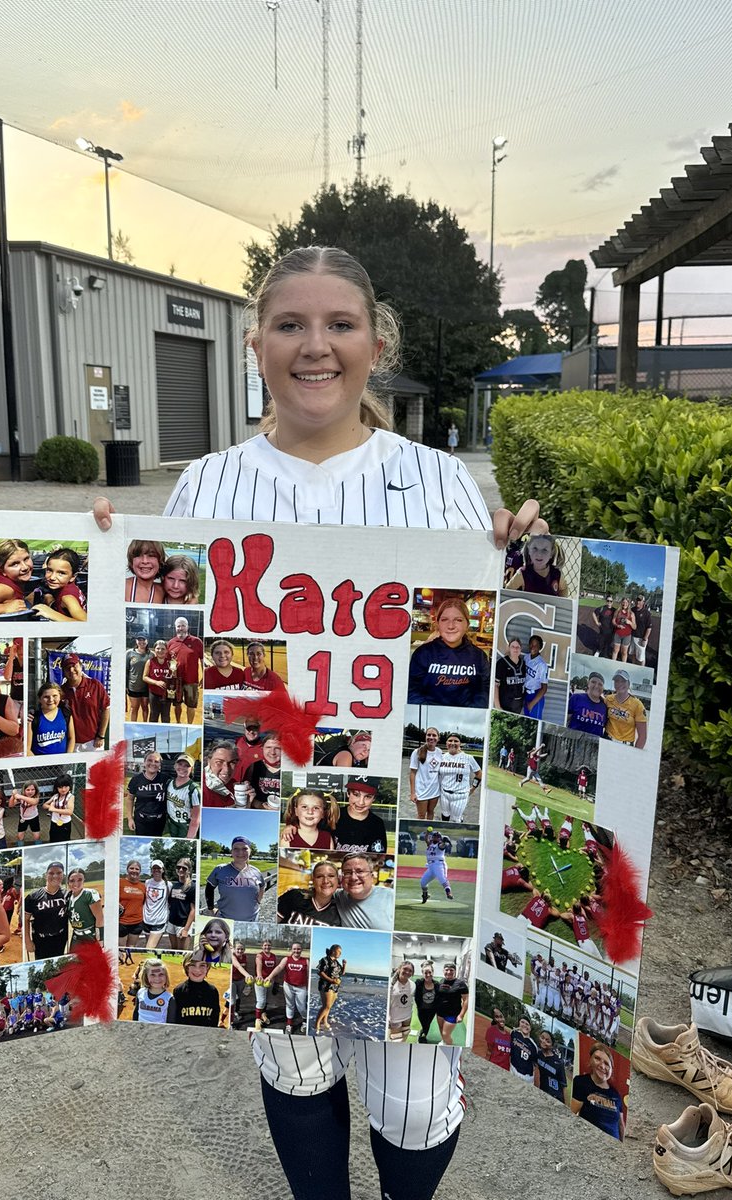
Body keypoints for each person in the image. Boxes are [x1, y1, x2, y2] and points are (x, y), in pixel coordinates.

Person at [93, 244, 544, 1200]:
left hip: (410, 818)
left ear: (376, 344)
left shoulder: (442, 484)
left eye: (340, 324)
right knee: (295, 1056)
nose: (315, 346)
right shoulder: (206, 487)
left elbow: (486, 668)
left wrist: (530, 567)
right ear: (255, 344)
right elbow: (155, 656)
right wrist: (100, 559)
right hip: (259, 818)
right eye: (291, 325)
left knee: (417, 1091)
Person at [407, 596, 490, 708]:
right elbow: (412, 691)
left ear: (467, 625)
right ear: (438, 624)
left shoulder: (479, 656)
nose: (451, 626)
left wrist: (468, 714)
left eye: (458, 620)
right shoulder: (422, 653)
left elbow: (484, 691)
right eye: (445, 620)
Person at [205, 836, 265, 922]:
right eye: (236, 848)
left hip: (252, 919)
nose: (240, 852)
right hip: (226, 920)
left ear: (250, 851)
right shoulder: (220, 870)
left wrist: (258, 901)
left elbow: (262, 886)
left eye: (245, 848)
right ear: (231, 851)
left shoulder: (256, 872)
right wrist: (211, 908)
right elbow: (209, 888)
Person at [60, 653, 110, 751]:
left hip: (93, 742)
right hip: (71, 744)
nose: (71, 670)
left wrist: (101, 735)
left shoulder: (95, 685)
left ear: (80, 666)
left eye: (74, 666)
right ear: (64, 671)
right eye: (67, 667)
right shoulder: (60, 691)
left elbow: (106, 709)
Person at [334, 853, 394, 930]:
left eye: (360, 871)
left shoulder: (390, 897)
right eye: (348, 873)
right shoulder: (337, 896)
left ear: (372, 876)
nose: (353, 877)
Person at [0, 539, 36, 615]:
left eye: (26, 559)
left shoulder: (13, 581)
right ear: (2, 570)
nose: (24, 567)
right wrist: (4, 608)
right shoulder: (4, 589)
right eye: (15, 564)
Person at [22, 861, 68, 959]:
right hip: (41, 940)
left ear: (63, 875)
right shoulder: (33, 896)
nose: (55, 876)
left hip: (60, 938)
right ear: (45, 875)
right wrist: (27, 941)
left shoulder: (67, 894)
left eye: (59, 873)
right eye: (51, 873)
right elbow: (25, 919)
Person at [278, 860, 341, 926]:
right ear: (313, 880)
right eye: (319, 876)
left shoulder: (340, 912)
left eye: (331, 876)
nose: (325, 881)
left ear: (338, 879)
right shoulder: (294, 896)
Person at [332, 778, 387, 854]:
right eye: (356, 795)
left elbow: (378, 856)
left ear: (374, 798)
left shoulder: (377, 823)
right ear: (348, 793)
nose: (361, 802)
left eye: (368, 797)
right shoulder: (334, 815)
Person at [32, 547, 87, 622]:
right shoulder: (67, 588)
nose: (52, 577)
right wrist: (50, 601)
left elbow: (84, 622)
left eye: (61, 573)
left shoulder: (68, 598)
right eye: (49, 570)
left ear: (73, 576)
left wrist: (52, 613)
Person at [167, 950, 221, 1026]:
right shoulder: (179, 990)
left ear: (207, 967)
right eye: (192, 965)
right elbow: (175, 1019)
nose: (197, 970)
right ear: (186, 967)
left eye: (202, 965)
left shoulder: (212, 991)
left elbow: (215, 1018)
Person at [436, 733, 481, 822]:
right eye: (450, 740)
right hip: (444, 793)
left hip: (460, 795)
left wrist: (473, 788)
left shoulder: (468, 758)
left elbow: (479, 773)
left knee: (456, 819)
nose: (453, 743)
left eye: (456, 741)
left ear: (460, 744)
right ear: (446, 743)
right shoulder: (442, 757)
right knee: (445, 815)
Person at [166, 616, 203, 723]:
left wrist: (204, 677)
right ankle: (178, 722)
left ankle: (189, 724)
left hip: (192, 680)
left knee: (191, 705)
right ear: (175, 627)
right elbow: (168, 661)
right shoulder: (171, 642)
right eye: (178, 626)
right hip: (176, 680)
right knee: (177, 704)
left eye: (183, 626)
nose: (181, 628)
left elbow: (202, 659)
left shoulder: (196, 641)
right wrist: (171, 675)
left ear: (187, 627)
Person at [125, 750, 167, 835]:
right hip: (141, 821)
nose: (153, 763)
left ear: (160, 765)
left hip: (159, 821)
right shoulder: (136, 780)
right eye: (149, 760)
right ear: (144, 762)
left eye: (156, 761)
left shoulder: (166, 779)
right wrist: (130, 818)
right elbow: (130, 799)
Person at [28, 680, 75, 755]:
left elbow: (71, 738)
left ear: (60, 697)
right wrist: (38, 764)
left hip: (61, 763)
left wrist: (67, 758)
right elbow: (27, 749)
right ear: (40, 699)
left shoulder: (65, 714)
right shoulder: (33, 718)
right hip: (40, 764)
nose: (51, 700)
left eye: (54, 696)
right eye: (46, 697)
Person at [604, 668, 648, 748]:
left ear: (628, 684)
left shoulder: (637, 704)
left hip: (625, 745)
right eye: (617, 681)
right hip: (607, 739)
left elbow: (642, 737)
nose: (619, 684)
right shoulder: (608, 699)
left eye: (623, 681)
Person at [409, 727, 443, 820]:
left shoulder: (440, 752)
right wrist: (412, 793)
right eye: (429, 735)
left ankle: (429, 833)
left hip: (435, 791)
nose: (431, 737)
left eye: (434, 735)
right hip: (421, 791)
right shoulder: (417, 752)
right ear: (425, 736)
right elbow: (412, 773)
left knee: (431, 812)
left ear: (438, 738)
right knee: (421, 816)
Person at [65, 868, 103, 949]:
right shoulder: (68, 896)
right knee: (74, 960)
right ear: (68, 882)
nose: (76, 883)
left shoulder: (89, 894)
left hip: (90, 936)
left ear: (84, 880)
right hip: (76, 936)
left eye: (79, 880)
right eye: (72, 880)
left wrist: (100, 939)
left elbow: (99, 918)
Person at [165, 754, 201, 838]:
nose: (182, 768)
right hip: (171, 821)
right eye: (180, 764)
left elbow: (196, 818)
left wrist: (190, 838)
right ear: (175, 766)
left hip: (185, 825)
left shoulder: (194, 789)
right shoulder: (169, 783)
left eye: (187, 766)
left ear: (191, 769)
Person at [245, 732, 283, 809]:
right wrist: (261, 806)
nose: (272, 752)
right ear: (262, 749)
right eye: (268, 747)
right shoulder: (254, 766)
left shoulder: (290, 769)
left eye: (277, 748)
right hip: (259, 812)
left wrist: (282, 809)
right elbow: (247, 794)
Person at [434, 962, 468, 1044]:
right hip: (440, 1012)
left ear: (455, 971)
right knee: (441, 1029)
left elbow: (466, 1000)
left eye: (451, 970)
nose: (449, 972)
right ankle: (444, 1042)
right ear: (443, 971)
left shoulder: (461, 984)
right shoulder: (441, 981)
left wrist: (461, 1015)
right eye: (447, 970)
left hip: (453, 1013)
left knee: (446, 1034)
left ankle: (449, 1048)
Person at [315, 943, 346, 1033]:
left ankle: (324, 1021)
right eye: (339, 951)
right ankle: (317, 1024)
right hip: (326, 985)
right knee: (326, 1006)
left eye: (341, 952)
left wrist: (344, 965)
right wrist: (331, 980)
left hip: (335, 986)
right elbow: (320, 972)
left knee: (329, 1007)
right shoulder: (325, 960)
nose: (340, 953)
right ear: (333, 951)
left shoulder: (336, 962)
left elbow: (341, 973)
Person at [142, 639, 174, 724]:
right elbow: (144, 677)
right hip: (154, 694)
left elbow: (174, 678)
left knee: (166, 716)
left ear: (166, 650)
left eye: (163, 649)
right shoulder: (150, 662)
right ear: (154, 649)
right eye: (158, 648)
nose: (160, 651)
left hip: (167, 694)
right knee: (153, 716)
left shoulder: (170, 663)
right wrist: (156, 682)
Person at [567, 671, 607, 738]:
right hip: (573, 742)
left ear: (603, 688)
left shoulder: (605, 707)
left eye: (600, 684)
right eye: (593, 682)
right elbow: (566, 720)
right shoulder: (576, 698)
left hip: (593, 746)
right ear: (588, 684)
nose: (596, 686)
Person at [167, 858, 196, 949]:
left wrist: (186, 929)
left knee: (182, 954)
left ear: (189, 870)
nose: (180, 870)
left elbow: (193, 910)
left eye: (184, 868)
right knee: (174, 950)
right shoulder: (174, 885)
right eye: (178, 867)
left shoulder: (192, 887)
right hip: (171, 923)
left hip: (182, 925)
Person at [125, 538, 166, 603]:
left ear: (160, 561)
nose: (145, 561)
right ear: (131, 561)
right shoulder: (122, 587)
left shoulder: (164, 592)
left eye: (151, 555)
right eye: (138, 555)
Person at [418, 829, 454, 904]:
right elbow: (426, 840)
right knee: (423, 882)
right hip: (431, 866)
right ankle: (425, 895)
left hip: (439, 865)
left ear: (439, 838)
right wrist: (427, 833)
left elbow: (442, 846)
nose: (435, 838)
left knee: (442, 879)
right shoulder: (430, 843)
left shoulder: (439, 844)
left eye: (437, 837)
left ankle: (448, 893)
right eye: (434, 836)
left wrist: (444, 842)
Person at [142, 859, 170, 950]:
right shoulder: (147, 882)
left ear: (163, 870)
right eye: (154, 868)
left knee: (149, 948)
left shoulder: (168, 885)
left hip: (159, 921)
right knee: (149, 948)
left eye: (159, 868)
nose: (156, 870)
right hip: (146, 920)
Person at [119, 859, 146, 951]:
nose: (134, 871)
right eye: (132, 868)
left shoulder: (143, 886)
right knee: (121, 949)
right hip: (122, 922)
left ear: (140, 871)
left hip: (137, 922)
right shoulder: (120, 882)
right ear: (127, 869)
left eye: (137, 869)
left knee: (131, 948)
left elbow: (143, 902)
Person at [135, 958, 173, 1024]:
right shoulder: (140, 992)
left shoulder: (170, 999)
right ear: (146, 976)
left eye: (161, 974)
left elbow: (171, 1022)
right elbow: (135, 1015)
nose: (157, 978)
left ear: (166, 976)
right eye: (152, 975)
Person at [494, 637, 526, 714]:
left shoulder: (523, 663)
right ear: (509, 648)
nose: (515, 649)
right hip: (505, 704)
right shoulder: (501, 663)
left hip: (518, 705)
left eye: (517, 647)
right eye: (513, 646)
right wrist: (498, 707)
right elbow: (495, 685)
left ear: (520, 649)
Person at [203, 740, 240, 807]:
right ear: (208, 761)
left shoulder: (234, 785)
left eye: (232, 762)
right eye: (219, 762)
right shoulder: (200, 790)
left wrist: (248, 803)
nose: (226, 770)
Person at [253, 937, 279, 1030]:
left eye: (268, 945)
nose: (267, 947)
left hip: (269, 981)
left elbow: (274, 969)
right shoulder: (259, 955)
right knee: (261, 1001)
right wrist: (259, 975)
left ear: (271, 946)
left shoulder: (273, 956)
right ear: (262, 946)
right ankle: (257, 1020)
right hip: (260, 981)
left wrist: (274, 980)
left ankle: (263, 1014)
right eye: (265, 945)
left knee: (267, 999)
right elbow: (259, 965)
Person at [535, 1030, 568, 1102]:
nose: (544, 1041)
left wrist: (567, 1106)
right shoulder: (537, 1054)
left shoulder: (558, 1063)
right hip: (541, 1095)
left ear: (552, 1045)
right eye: (542, 1038)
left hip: (555, 1098)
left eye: (548, 1041)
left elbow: (564, 1086)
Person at [522, 635, 550, 720]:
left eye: (536, 645)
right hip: (526, 694)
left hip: (536, 696)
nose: (532, 647)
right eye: (531, 644)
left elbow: (544, 688)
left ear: (540, 647)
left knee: (535, 723)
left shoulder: (542, 664)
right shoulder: (526, 657)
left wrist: (532, 703)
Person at [43, 773, 75, 843]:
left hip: (65, 824)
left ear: (70, 786)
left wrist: (54, 809)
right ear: (57, 787)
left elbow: (70, 812)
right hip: (54, 822)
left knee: (64, 842)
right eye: (60, 787)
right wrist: (50, 807)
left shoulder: (70, 797)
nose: (63, 789)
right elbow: (44, 805)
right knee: (53, 840)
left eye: (66, 786)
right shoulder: (56, 796)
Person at [125, 635, 151, 722]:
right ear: (136, 641)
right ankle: (133, 727)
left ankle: (145, 725)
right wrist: (125, 685)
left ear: (147, 641)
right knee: (134, 708)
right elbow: (126, 670)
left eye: (143, 640)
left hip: (147, 687)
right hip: (133, 686)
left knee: (145, 707)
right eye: (139, 640)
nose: (141, 642)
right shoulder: (129, 653)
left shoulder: (151, 654)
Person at [388, 960, 415, 1042]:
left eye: (410, 971)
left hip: (407, 1017)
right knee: (397, 1041)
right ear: (399, 969)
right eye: (405, 969)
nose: (407, 972)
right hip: (395, 1019)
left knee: (405, 1036)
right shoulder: (391, 985)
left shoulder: (413, 985)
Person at [9, 780, 42, 845]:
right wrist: (13, 796)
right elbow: (11, 805)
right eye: (28, 790)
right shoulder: (21, 797)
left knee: (36, 836)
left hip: (34, 818)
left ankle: (38, 846)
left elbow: (34, 802)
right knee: (20, 835)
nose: (30, 792)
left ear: (36, 790)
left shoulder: (36, 797)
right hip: (23, 818)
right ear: (24, 790)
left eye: (33, 789)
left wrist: (20, 796)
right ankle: (20, 847)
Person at [413, 963, 438, 1043]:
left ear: (433, 972)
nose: (428, 974)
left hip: (432, 1011)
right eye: (425, 973)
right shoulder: (418, 983)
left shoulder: (437, 984)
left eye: (430, 972)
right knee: (425, 1025)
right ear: (422, 974)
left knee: (428, 1025)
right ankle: (422, 1037)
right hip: (422, 1010)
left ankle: (423, 1036)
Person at [610, 596, 635, 662]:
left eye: (626, 602)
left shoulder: (631, 614)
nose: (625, 604)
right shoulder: (617, 611)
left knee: (624, 653)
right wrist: (617, 625)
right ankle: (613, 664)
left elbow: (635, 627)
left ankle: (623, 666)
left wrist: (630, 622)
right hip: (618, 634)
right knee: (615, 650)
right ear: (621, 603)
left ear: (629, 604)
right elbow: (613, 621)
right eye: (623, 602)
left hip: (627, 635)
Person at [630, 593, 653, 666]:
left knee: (641, 657)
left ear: (643, 602)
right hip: (632, 636)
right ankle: (633, 666)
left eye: (640, 601)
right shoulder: (632, 610)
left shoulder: (647, 613)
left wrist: (645, 639)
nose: (638, 602)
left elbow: (649, 627)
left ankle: (642, 669)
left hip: (641, 638)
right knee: (633, 654)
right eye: (637, 600)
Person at [592, 594, 616, 659]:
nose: (609, 602)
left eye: (611, 601)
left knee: (608, 643)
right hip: (602, 630)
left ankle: (605, 654)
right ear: (606, 601)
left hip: (611, 630)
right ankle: (598, 651)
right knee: (601, 642)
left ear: (612, 602)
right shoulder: (602, 608)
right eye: (608, 601)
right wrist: (597, 622)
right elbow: (594, 613)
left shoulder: (615, 610)